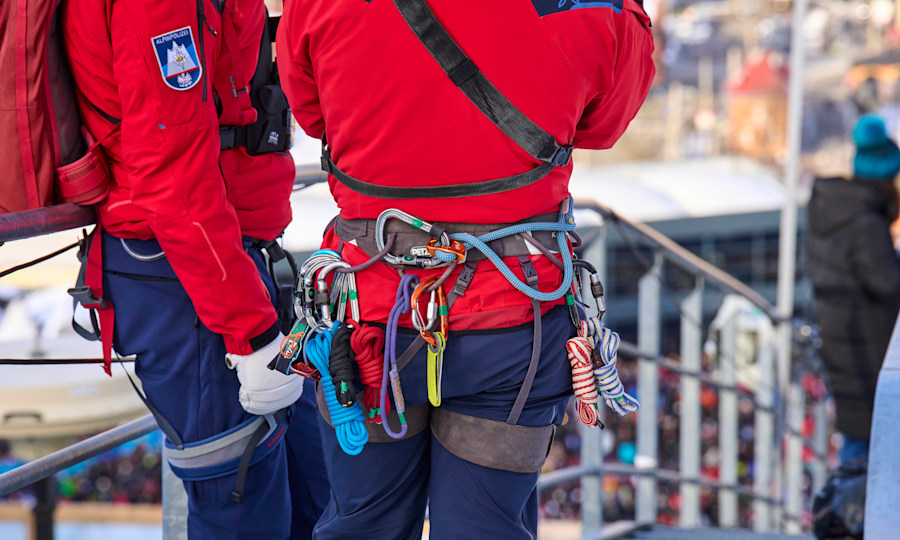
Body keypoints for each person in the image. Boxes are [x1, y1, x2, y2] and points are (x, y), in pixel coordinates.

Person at [277, 0, 655, 537]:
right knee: (487, 527)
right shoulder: (588, 7)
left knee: (363, 525)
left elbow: (311, 111)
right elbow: (607, 121)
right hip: (512, 322)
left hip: (370, 317)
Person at [63, 1, 328, 537]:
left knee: (318, 503)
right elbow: (173, 176)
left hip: (228, 264)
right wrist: (250, 332)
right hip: (188, 278)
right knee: (245, 515)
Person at [806, 114, 900, 464]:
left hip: (843, 352)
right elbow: (887, 284)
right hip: (870, 356)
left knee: (857, 450)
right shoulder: (866, 224)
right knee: (872, 454)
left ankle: (847, 516)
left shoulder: (828, 210)